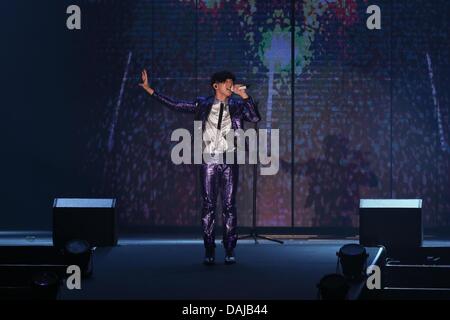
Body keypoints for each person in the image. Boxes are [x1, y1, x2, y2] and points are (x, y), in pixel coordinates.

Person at [139, 69, 260, 265]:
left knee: (229, 207)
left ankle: (230, 250)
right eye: (227, 83)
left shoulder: (238, 106)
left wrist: (245, 96)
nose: (231, 86)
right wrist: (150, 90)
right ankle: (209, 249)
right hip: (209, 160)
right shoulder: (202, 104)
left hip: (230, 159)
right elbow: (176, 105)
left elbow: (254, 118)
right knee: (208, 207)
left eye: (232, 82)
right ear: (216, 85)